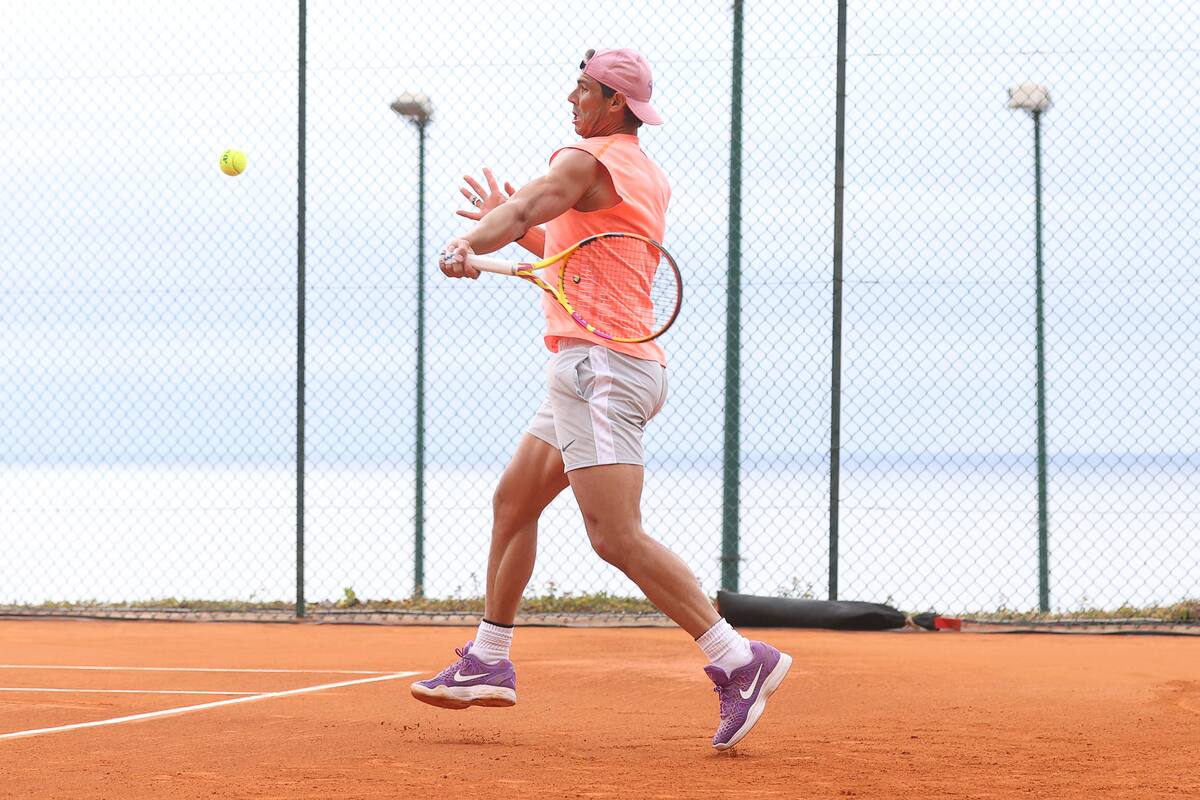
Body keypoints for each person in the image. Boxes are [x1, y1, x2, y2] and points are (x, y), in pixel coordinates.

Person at [410, 48, 791, 750]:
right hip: (591, 366)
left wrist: (471, 238)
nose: (571, 99)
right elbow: (569, 247)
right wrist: (510, 227)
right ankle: (488, 659)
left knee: (615, 535)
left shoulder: (585, 160)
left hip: (601, 369)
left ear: (615, 101)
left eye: (583, 89)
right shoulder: (642, 172)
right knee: (515, 501)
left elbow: (528, 205)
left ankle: (740, 658)